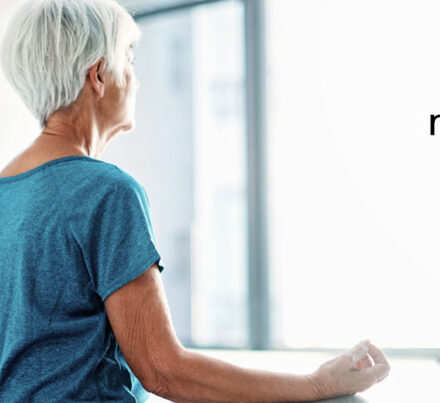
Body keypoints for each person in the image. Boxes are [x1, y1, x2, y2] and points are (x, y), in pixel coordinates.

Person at [0, 0, 390, 401]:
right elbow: (164, 371)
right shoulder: (106, 192)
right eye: (129, 60)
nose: (136, 79)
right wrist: (319, 384)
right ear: (98, 75)